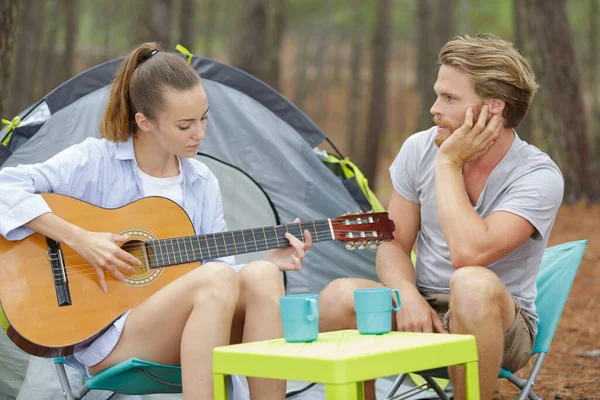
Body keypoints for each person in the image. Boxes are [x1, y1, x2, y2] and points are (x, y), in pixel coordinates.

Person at [0, 42, 312, 400]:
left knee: (264, 276)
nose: (200, 133)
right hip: (110, 339)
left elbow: (219, 275)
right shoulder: (95, 160)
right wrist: (79, 238)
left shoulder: (201, 182)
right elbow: (4, 187)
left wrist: (263, 262)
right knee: (214, 280)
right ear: (144, 122)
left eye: (204, 118)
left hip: (190, 324)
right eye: (185, 125)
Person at [318, 34, 563, 399]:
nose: (434, 108)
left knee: (470, 284)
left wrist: (448, 162)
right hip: (423, 309)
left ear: (494, 107)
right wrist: (405, 294)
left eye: (449, 98)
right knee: (338, 297)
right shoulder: (418, 147)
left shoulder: (537, 176)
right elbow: (394, 242)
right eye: (438, 94)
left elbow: (469, 254)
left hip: (500, 322)